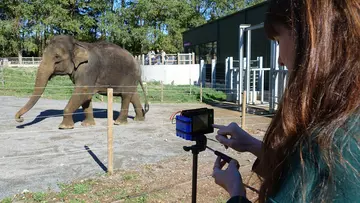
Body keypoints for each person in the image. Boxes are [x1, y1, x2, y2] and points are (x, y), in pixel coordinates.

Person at [212, 0, 360, 202]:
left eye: (278, 40)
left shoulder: (328, 140)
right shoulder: (347, 117)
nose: (280, 60)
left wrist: (235, 191)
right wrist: (253, 145)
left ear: (307, 37)